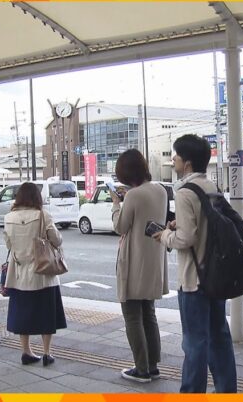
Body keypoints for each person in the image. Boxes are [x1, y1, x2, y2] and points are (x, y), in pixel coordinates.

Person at [153, 134, 237, 393]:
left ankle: (191, 392)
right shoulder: (211, 187)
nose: (173, 159)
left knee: (194, 343)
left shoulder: (185, 192)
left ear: (187, 163)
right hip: (216, 274)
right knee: (219, 337)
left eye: (175, 156)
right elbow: (205, 225)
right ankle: (226, 390)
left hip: (194, 279)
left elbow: (186, 238)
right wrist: (183, 225)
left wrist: (164, 235)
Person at [107, 149, 168, 383]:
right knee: (148, 313)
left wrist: (116, 204)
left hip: (134, 262)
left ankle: (141, 369)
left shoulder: (133, 195)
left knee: (132, 316)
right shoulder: (160, 190)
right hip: (153, 260)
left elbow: (120, 227)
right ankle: (152, 366)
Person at [3, 182, 66, 366]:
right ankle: (47, 353)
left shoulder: (8, 217)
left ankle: (26, 351)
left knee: (23, 313)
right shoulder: (42, 215)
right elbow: (57, 239)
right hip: (43, 273)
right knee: (47, 313)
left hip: (20, 274)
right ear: (37, 198)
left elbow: (8, 244)